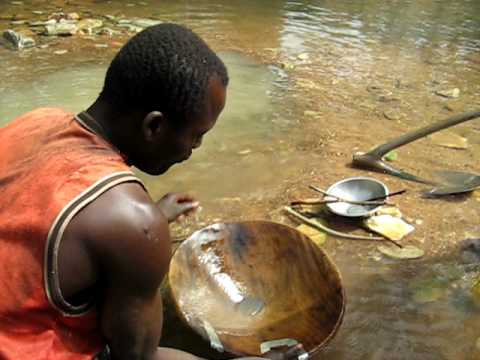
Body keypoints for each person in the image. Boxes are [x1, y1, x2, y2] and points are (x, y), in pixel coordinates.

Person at [0, 24, 306, 360]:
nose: (195, 148)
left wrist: (146, 221)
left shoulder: (39, 120)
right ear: (154, 126)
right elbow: (136, 356)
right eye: (196, 136)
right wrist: (144, 229)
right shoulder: (132, 224)